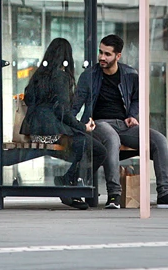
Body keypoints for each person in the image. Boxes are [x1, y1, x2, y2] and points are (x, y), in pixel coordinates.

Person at [72, 34, 168, 209]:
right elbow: (76, 104)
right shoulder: (89, 76)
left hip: (124, 125)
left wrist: (133, 116)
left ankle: (165, 193)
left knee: (159, 140)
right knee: (112, 139)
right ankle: (114, 194)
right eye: (100, 52)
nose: (102, 57)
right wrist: (72, 124)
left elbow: (137, 99)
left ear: (118, 56)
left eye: (107, 54)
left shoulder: (129, 74)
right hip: (98, 124)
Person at [21, 37, 107, 210]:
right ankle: (69, 183)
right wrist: (83, 127)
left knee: (84, 145)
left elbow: (29, 99)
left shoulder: (38, 76)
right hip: (51, 133)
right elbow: (63, 112)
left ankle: (71, 184)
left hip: (34, 132)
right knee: (98, 150)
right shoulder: (60, 77)